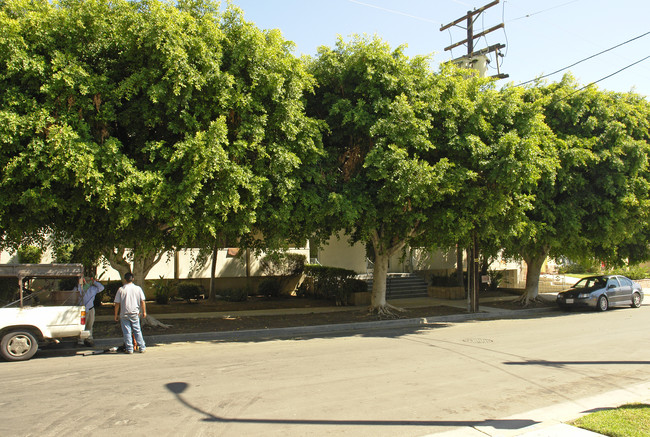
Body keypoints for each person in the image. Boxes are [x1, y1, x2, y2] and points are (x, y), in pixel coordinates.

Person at [114, 272, 147, 354]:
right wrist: (144, 312)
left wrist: (116, 315)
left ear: (124, 279)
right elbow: (142, 301)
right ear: (133, 279)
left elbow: (117, 303)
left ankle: (129, 348)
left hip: (124, 313)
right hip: (135, 313)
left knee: (127, 331)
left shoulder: (121, 290)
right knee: (137, 330)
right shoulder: (138, 289)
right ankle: (142, 347)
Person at [77, 276, 104, 346]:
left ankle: (89, 339)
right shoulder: (79, 288)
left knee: (90, 324)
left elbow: (101, 288)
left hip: (91, 308)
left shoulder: (93, 289)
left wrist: (94, 282)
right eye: (86, 281)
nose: (87, 282)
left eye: (89, 281)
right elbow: (76, 292)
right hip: (82, 309)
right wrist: (82, 285)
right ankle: (81, 340)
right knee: (82, 325)